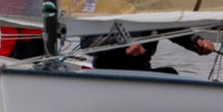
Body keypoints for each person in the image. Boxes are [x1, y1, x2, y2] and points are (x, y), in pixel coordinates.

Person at [84, 30, 215, 73]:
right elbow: (87, 44)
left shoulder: (154, 10)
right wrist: (123, 46)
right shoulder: (109, 7)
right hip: (107, 75)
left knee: (170, 73)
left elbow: (176, 29)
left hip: (142, 74)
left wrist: (197, 43)